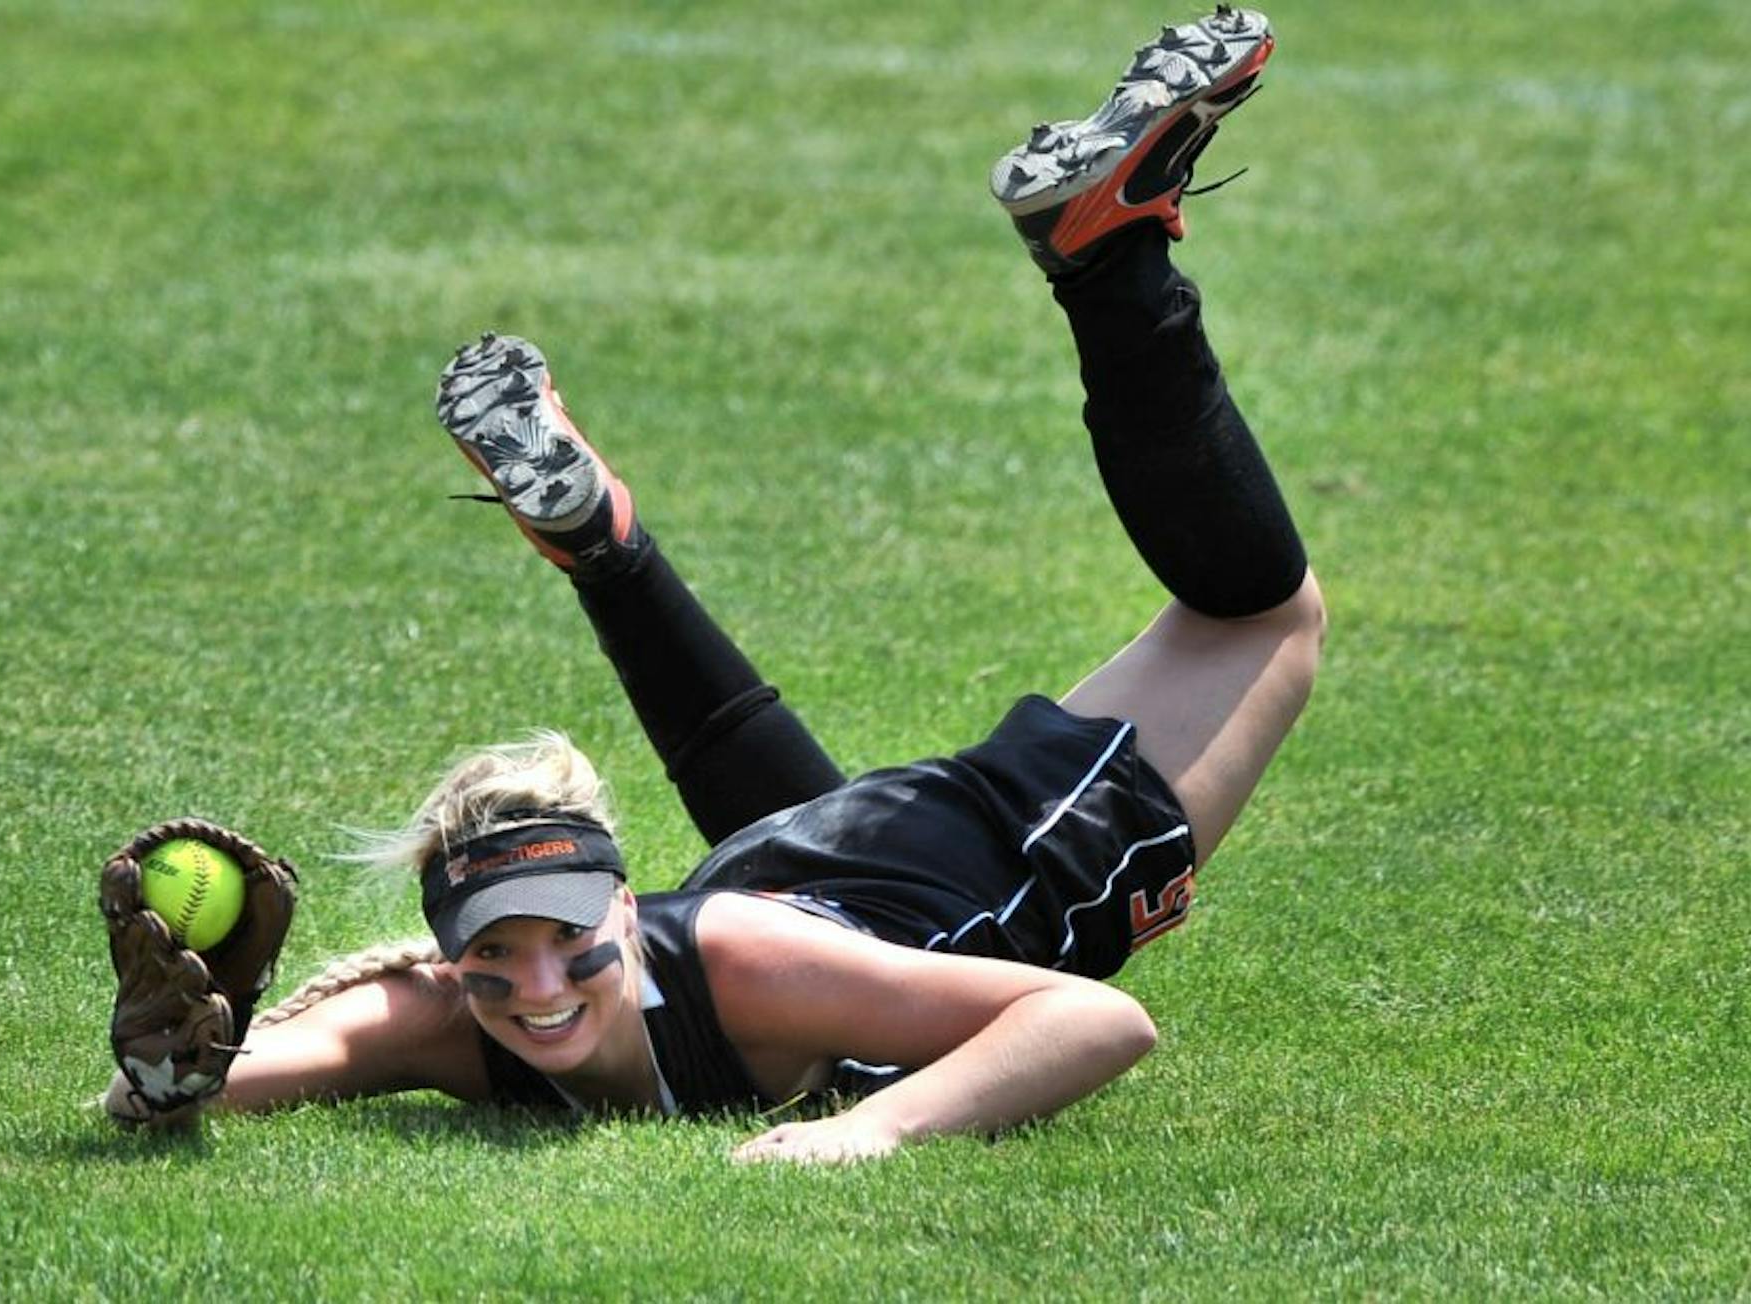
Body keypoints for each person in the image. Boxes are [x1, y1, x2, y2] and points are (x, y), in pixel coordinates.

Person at [101, 6, 1324, 1165]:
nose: (533, 990)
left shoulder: (738, 959)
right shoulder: (449, 1018)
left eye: (570, 942)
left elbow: (1094, 1021)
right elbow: (184, 1084)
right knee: (817, 891)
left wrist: (871, 1131)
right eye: (495, 959)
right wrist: (179, 1056)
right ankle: (605, 554)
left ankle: (1112, 267)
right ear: (451, 956)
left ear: (625, 911)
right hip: (811, 877)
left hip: (986, 855)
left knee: (1263, 618)